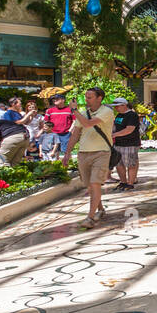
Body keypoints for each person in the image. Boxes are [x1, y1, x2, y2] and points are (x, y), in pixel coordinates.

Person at [61, 87, 117, 230]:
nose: (86, 100)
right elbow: (76, 133)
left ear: (99, 98)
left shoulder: (107, 111)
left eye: (90, 97)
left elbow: (88, 124)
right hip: (83, 152)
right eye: (86, 97)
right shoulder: (83, 113)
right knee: (90, 185)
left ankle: (90, 217)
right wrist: (67, 153)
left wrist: (74, 111)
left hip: (101, 152)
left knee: (95, 183)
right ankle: (100, 209)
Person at [0, 97, 36, 166]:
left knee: (2, 161)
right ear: (13, 104)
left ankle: (4, 176)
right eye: (20, 104)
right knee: (15, 163)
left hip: (15, 137)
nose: (21, 105)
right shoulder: (8, 113)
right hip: (25, 138)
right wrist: (28, 114)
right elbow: (17, 123)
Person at [110, 97, 141, 191]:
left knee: (131, 163)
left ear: (124, 105)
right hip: (118, 143)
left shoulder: (132, 115)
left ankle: (130, 183)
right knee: (119, 164)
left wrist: (114, 135)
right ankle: (123, 182)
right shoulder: (119, 115)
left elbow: (129, 129)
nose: (116, 108)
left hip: (130, 144)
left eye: (117, 106)